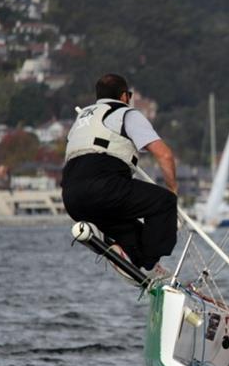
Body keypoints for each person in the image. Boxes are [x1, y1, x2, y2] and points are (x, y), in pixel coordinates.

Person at [62, 73, 178, 271]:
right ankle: (150, 265)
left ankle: (127, 256)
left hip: (71, 197)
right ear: (125, 96)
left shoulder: (83, 119)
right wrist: (173, 189)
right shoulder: (125, 113)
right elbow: (164, 155)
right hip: (103, 186)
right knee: (164, 202)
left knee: (131, 232)